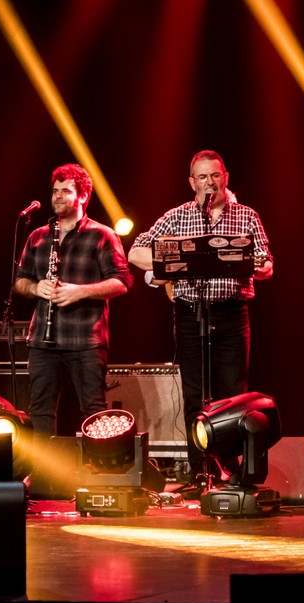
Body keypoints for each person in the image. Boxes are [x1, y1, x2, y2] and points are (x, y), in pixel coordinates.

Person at [128, 150, 274, 479]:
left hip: (231, 313)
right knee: (195, 394)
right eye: (203, 177)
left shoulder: (246, 215)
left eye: (215, 175)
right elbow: (135, 252)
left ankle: (232, 467)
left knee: (233, 393)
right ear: (192, 182)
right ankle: (200, 469)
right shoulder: (176, 217)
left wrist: (255, 265)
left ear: (226, 178)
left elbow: (267, 264)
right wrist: (176, 263)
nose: (210, 182)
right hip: (190, 314)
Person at [14, 164, 133, 436]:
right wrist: (36, 288)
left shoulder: (102, 235)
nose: (57, 196)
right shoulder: (38, 236)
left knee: (94, 411)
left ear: (83, 196)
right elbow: (19, 282)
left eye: (65, 191)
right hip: (43, 341)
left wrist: (79, 291)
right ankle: (44, 464)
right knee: (40, 411)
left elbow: (122, 282)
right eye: (54, 191)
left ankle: (98, 463)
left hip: (85, 340)